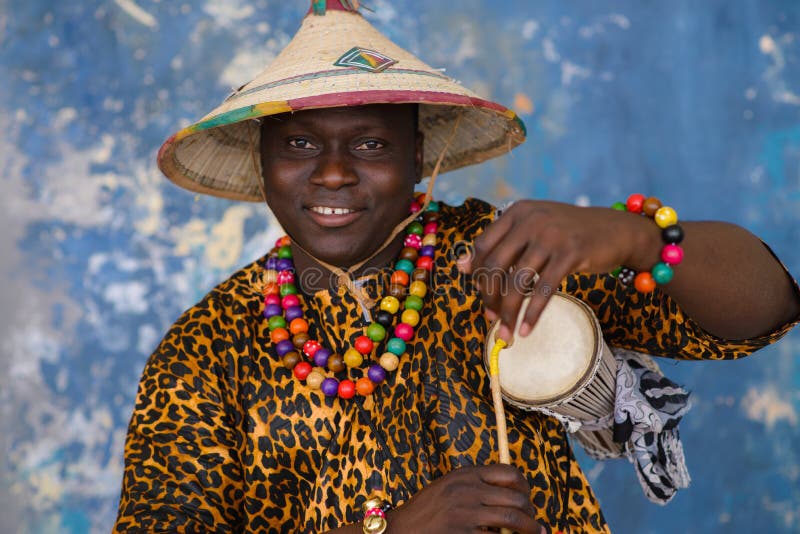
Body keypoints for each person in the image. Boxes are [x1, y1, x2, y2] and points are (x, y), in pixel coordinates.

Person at [114, 2, 799, 533]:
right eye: (298, 142)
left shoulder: (502, 258)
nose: (331, 172)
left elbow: (765, 308)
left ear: (417, 157)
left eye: (371, 142)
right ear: (262, 162)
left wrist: (634, 236)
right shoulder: (204, 352)